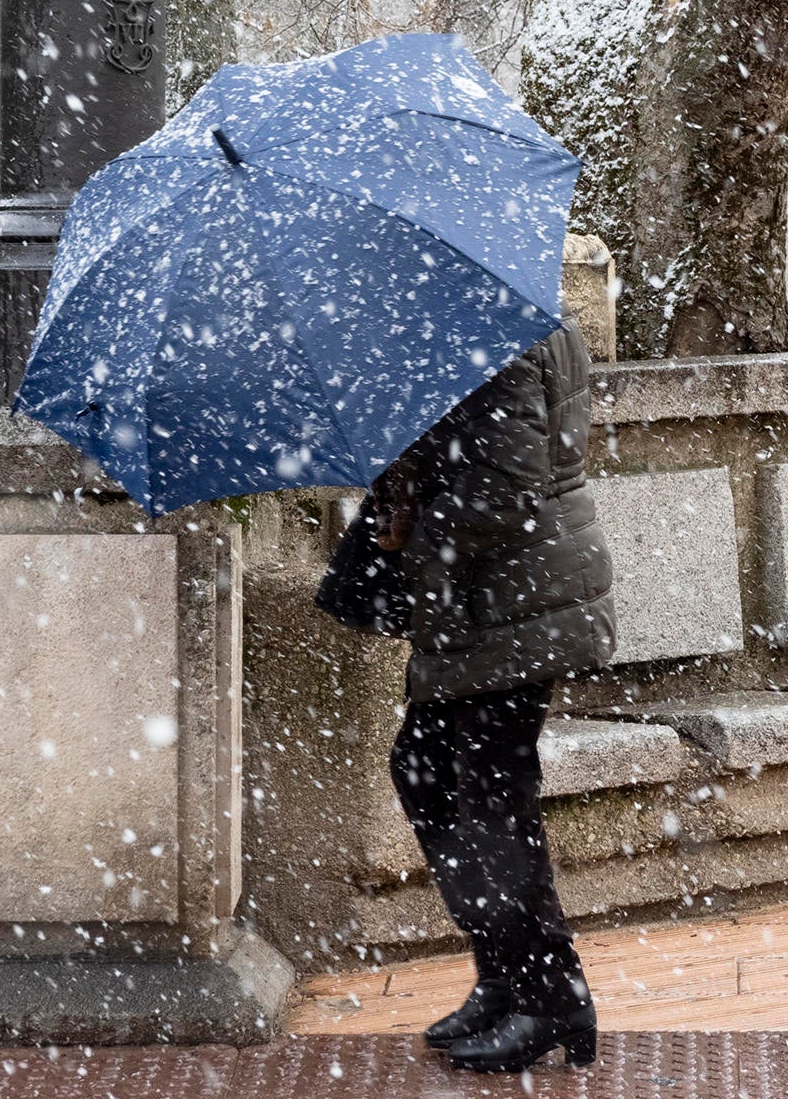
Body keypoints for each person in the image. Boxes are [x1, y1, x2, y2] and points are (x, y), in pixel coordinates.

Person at [317, 317, 616, 1073]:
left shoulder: (498, 334)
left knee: (489, 794)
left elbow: (505, 494)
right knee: (428, 769)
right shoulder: (472, 328)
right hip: (487, 606)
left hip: (517, 602)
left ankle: (551, 996)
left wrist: (407, 534)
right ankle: (508, 973)